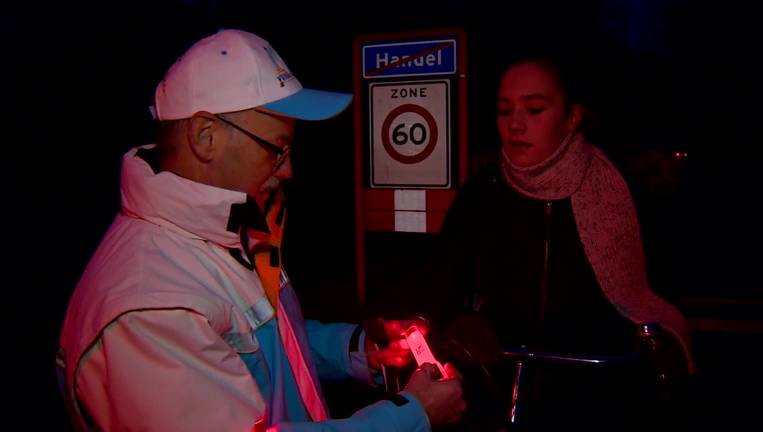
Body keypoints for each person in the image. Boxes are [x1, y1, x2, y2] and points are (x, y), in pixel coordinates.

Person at [56, 29, 465, 431]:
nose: (288, 170)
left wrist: (358, 351)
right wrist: (411, 415)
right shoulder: (151, 310)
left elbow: (264, 347)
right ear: (205, 137)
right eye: (276, 149)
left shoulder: (227, 231)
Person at [407, 55, 694, 429]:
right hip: (500, 391)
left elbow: (657, 287)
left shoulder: (620, 190)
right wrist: (456, 320)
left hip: (600, 395)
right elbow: (441, 280)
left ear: (572, 118)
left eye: (535, 108)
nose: (515, 124)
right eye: (504, 110)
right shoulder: (482, 192)